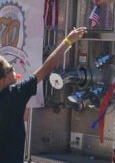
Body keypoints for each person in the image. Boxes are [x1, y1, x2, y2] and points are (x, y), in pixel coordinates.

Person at [0, 27, 87, 163]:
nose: (14, 70)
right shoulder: (13, 95)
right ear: (2, 80)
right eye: (10, 69)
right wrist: (68, 40)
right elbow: (47, 67)